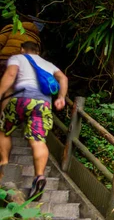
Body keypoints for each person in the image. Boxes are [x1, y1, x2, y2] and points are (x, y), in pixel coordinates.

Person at [0, 41, 68, 199]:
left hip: (21, 100)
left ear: (22, 49)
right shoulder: (48, 64)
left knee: (4, 130)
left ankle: (4, 162)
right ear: (38, 51)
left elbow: (10, 75)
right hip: (43, 103)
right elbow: (63, 78)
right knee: (38, 139)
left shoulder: (18, 58)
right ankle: (39, 176)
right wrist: (61, 98)